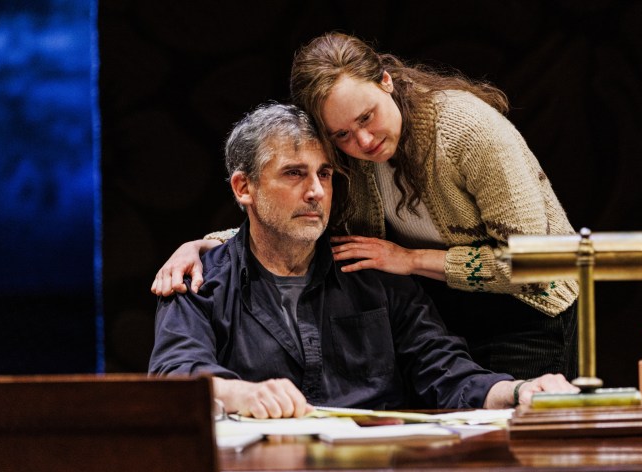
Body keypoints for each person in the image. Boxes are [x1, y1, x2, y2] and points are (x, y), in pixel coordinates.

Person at [151, 32, 579, 381]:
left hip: (527, 308)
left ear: (386, 81)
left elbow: (540, 263)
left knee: (512, 431)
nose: (364, 141)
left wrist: (411, 260)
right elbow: (295, 215)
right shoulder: (349, 158)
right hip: (442, 308)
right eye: (341, 134)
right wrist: (206, 246)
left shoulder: (467, 131)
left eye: (367, 117)